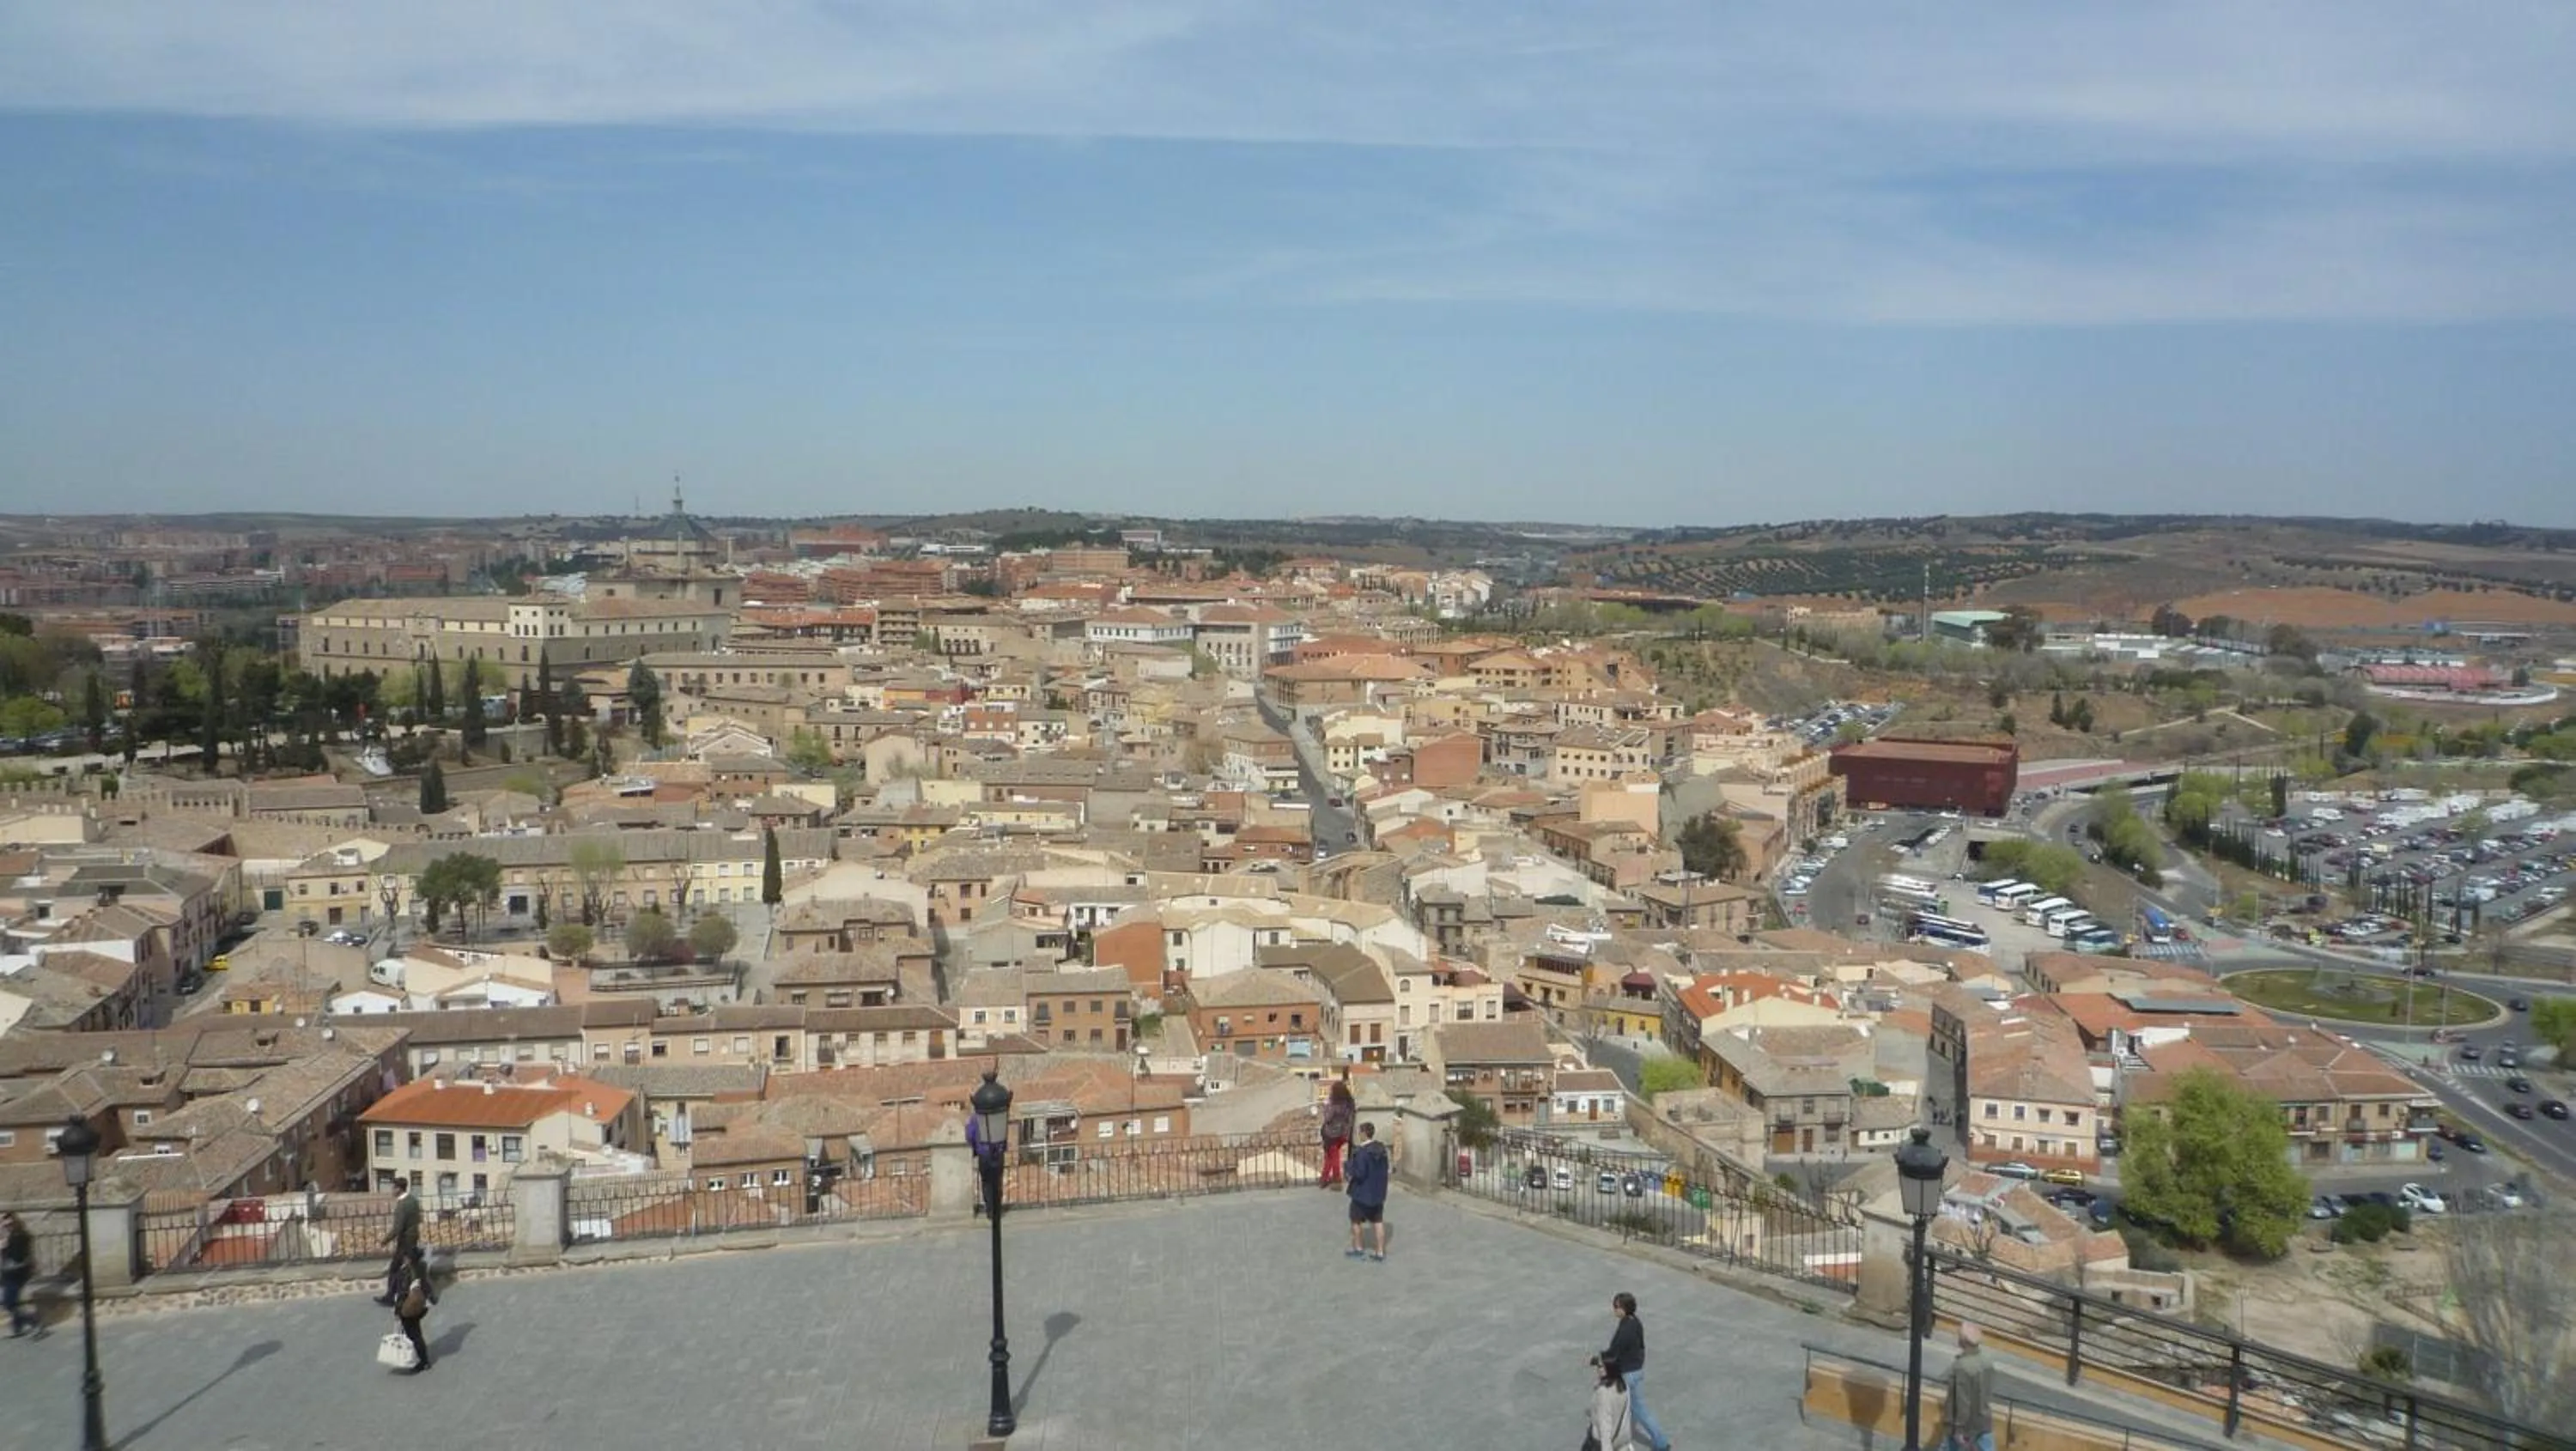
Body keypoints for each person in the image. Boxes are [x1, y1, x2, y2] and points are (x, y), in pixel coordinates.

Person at [1595, 1292, 1671, 1451]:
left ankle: (1613, 1441)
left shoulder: (1625, 1329)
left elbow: (1614, 1352)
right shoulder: (1634, 1322)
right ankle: (1661, 1443)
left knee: (1619, 1408)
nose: (1614, 1309)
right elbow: (1641, 1347)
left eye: (1616, 1306)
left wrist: (1597, 1359)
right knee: (1638, 1408)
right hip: (1636, 1371)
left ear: (1624, 1308)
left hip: (1627, 1374)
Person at [375, 1181, 434, 1308]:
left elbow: (398, 1228)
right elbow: (418, 1219)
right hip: (413, 1238)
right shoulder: (413, 1200)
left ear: (399, 1189)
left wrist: (384, 1241)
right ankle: (428, 1295)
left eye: (393, 1188)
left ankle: (390, 1297)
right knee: (415, 1268)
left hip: (405, 1241)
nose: (392, 1191)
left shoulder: (402, 1206)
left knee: (395, 1268)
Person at [1343, 1120, 1390, 1261]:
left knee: (1355, 1220)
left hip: (1361, 1194)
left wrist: (1348, 1167)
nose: (1358, 1135)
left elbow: (1359, 1173)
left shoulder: (1362, 1153)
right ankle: (1380, 1252)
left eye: (1359, 1132)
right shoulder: (1382, 1150)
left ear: (1364, 1133)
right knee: (1378, 1221)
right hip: (1378, 1194)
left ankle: (1358, 1248)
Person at [1943, 1322, 1994, 1451]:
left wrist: (1959, 1429)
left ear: (1963, 1341)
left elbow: (1962, 1402)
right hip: (1984, 1420)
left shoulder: (1961, 1367)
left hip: (1965, 1426)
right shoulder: (1987, 1362)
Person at [392, 1261, 434, 1374]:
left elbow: (402, 1293)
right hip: (421, 1306)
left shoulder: (406, 1272)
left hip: (408, 1307)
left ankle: (423, 1361)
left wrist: (397, 1312)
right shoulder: (422, 1266)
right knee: (416, 1332)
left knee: (413, 1334)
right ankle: (422, 1358)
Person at [3, 1211, 38, 1338]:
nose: (7, 1227)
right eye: (5, 1225)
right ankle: (18, 1328)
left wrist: (4, 1247)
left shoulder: (21, 1236)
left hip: (17, 1273)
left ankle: (33, 1321)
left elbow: (19, 1256)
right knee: (13, 1301)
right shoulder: (13, 1236)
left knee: (9, 1302)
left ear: (15, 1223)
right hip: (11, 1273)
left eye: (9, 1224)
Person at [1585, 1359, 1632, 1451]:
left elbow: (1604, 1423)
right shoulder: (1624, 1386)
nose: (1598, 1369)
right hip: (1622, 1437)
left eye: (1601, 1367)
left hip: (1606, 1441)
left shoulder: (1603, 1393)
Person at [1318, 1080, 1356, 1188]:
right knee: (1331, 1155)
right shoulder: (1349, 1104)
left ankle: (1336, 1179)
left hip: (1331, 1134)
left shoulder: (1333, 1104)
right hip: (1343, 1134)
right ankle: (1325, 1178)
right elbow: (1350, 1119)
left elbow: (1328, 1118)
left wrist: (1326, 1107)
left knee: (1332, 1156)